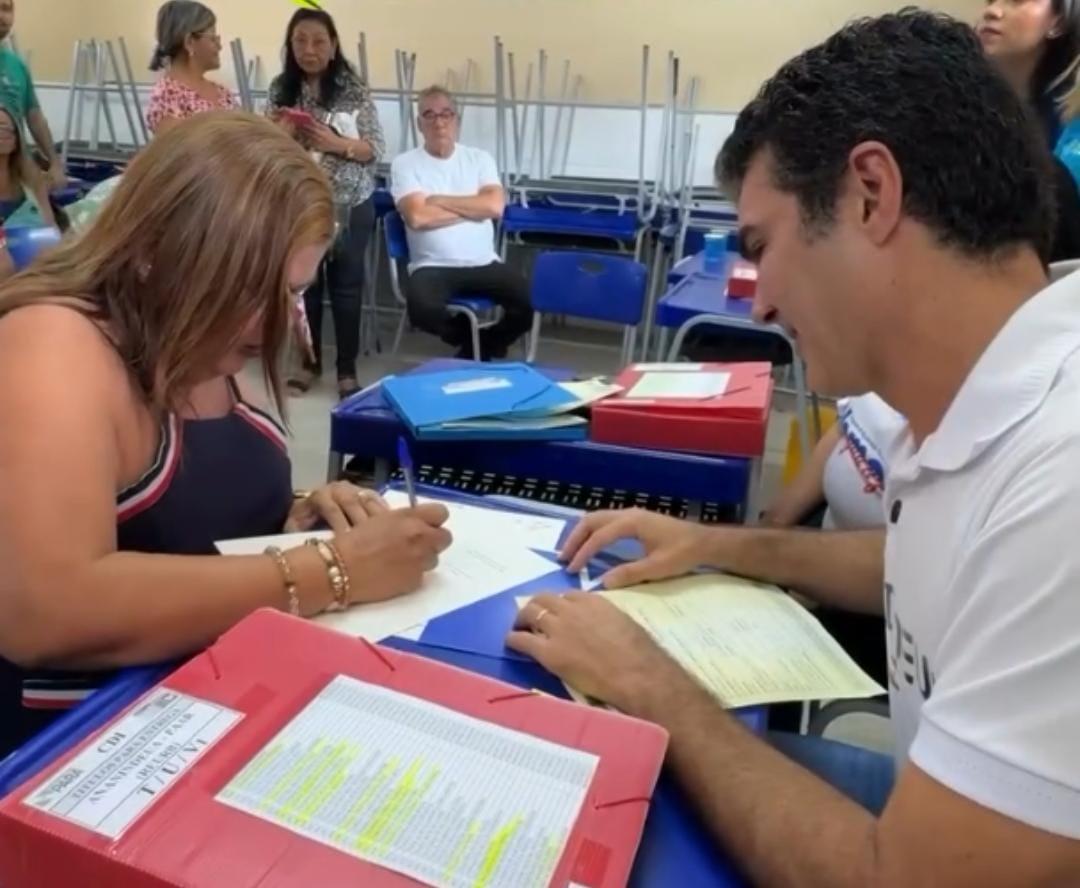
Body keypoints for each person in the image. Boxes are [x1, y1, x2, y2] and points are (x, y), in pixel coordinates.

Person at [509, 12, 1080, 884]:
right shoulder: (973, 394)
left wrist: (652, 683)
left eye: (761, 248)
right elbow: (940, 563)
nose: (761, 305)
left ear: (870, 195)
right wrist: (715, 544)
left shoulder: (1061, 476)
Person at [0, 112, 452, 757]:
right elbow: (46, 609)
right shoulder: (52, 342)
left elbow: (189, 524)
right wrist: (334, 568)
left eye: (293, 292)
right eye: (247, 287)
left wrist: (301, 513)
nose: (273, 325)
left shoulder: (208, 343)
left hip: (215, 711)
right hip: (80, 758)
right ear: (154, 253)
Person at [267, 7, 384, 399]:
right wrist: (282, 134)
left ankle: (346, 371)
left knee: (347, 288)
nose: (309, 49)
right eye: (300, 40)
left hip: (352, 202)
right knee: (306, 286)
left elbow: (375, 149)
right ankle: (309, 363)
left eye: (318, 41)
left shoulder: (355, 90)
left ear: (333, 47)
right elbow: (267, 150)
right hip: (301, 204)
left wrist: (337, 144)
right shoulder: (281, 90)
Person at [390, 86, 533, 361]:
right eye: (429, 115)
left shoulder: (479, 159)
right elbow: (418, 217)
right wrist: (472, 208)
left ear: (457, 120)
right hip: (431, 265)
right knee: (421, 309)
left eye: (446, 114)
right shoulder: (405, 164)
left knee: (527, 301)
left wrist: (439, 199)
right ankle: (473, 340)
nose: (439, 122)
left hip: (483, 262)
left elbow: (494, 206)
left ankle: (482, 345)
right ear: (419, 124)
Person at [978, 0, 1080, 260]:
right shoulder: (979, 100)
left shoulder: (1070, 116)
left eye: (1017, 1)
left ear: (1057, 22)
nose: (993, 11)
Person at [146, 1, 238, 136]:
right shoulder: (167, 97)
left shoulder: (222, 92)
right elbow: (180, 153)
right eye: (213, 38)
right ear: (190, 42)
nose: (219, 46)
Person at [0, 0, 63, 187]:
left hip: (15, 174)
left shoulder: (17, 66)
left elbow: (34, 117)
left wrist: (54, 163)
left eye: (6, 9)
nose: (2, 16)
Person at [0, 105, 55, 228]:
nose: (2, 133)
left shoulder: (32, 181)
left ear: (16, 140)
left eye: (6, 129)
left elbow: (50, 229)